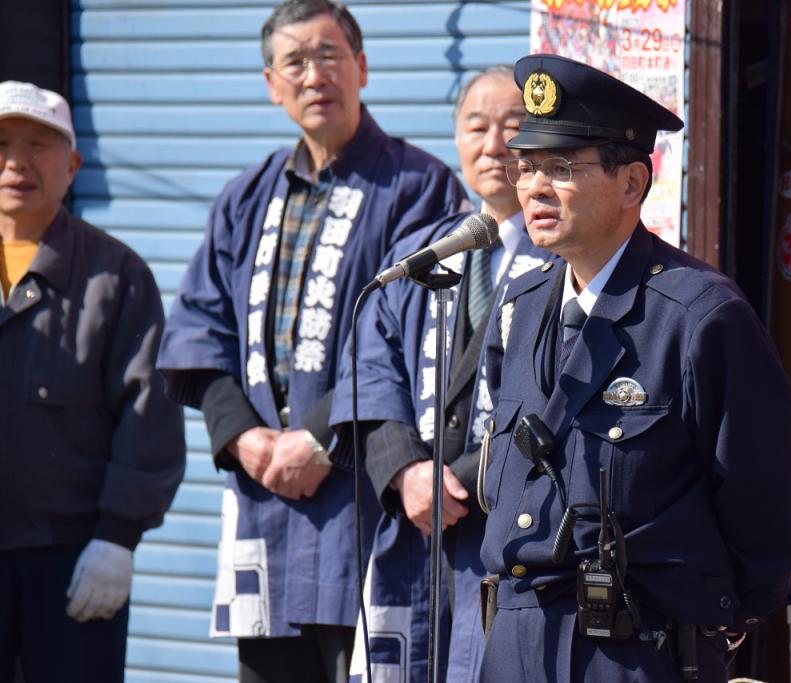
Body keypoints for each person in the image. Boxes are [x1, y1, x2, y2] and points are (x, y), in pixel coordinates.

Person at [156, 2, 466, 681]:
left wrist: (319, 438)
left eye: (329, 55)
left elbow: (407, 337)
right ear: (273, 84)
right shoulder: (245, 196)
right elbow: (199, 327)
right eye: (294, 61)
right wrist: (244, 437)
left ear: (362, 67)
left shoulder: (420, 187)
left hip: (360, 497)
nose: (314, 75)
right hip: (262, 497)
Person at [476, 55, 791, 682]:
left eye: (562, 168)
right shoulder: (520, 303)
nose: (535, 188)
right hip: (517, 641)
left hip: (634, 647)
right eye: (528, 167)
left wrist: (714, 620)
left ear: (632, 183)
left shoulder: (698, 314)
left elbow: (763, 503)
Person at [333, 65, 549, 683]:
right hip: (415, 527)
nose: (494, 145)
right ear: (456, 140)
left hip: (510, 531)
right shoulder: (425, 254)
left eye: (514, 127)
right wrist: (404, 470)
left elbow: (559, 396)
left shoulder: (564, 257)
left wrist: (456, 480)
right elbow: (371, 370)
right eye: (476, 128)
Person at [0, 80, 185, 682]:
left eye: (39, 145)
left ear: (73, 164)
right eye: (1, 144)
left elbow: (148, 414)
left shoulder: (117, 277)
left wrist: (117, 540)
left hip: (73, 562)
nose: (16, 162)